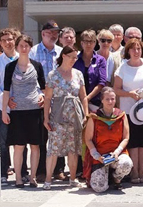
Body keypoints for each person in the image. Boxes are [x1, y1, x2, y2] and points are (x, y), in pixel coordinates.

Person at [2, 35, 46, 188]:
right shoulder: (10, 67)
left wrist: (43, 97)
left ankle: (33, 177)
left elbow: (45, 88)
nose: (23, 48)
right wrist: (4, 111)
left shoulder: (37, 66)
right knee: (19, 146)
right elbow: (6, 90)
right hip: (17, 112)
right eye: (21, 45)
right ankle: (19, 178)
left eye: (27, 45)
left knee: (35, 146)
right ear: (17, 46)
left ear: (30, 47)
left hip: (34, 111)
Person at [114, 38, 143, 183]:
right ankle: (134, 173)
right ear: (128, 51)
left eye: (139, 48)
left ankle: (142, 172)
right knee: (133, 143)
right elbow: (116, 89)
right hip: (129, 111)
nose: (136, 51)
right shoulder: (122, 68)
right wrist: (129, 94)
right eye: (133, 49)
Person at [43, 45, 88, 189]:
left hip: (74, 115)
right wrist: (46, 117)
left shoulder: (78, 74)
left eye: (76, 57)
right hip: (58, 115)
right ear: (64, 56)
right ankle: (48, 180)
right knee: (53, 148)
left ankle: (73, 178)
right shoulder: (53, 75)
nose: (74, 60)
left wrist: (85, 114)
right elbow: (48, 98)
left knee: (73, 149)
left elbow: (83, 96)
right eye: (72, 57)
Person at [29, 21, 62, 181]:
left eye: (56, 32)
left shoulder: (61, 52)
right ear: (43, 34)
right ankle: (42, 170)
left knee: (59, 134)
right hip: (40, 100)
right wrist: (40, 95)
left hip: (58, 101)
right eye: (50, 32)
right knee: (42, 136)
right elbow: (30, 77)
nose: (53, 35)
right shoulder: (33, 52)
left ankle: (58, 169)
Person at [83, 87, 133, 192]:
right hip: (100, 156)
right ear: (101, 100)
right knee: (99, 188)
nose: (110, 102)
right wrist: (96, 155)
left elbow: (126, 138)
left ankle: (116, 179)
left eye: (113, 99)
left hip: (117, 154)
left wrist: (117, 152)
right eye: (107, 99)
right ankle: (105, 176)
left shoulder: (121, 115)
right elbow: (88, 139)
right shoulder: (94, 117)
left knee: (126, 164)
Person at [0, 28, 23, 184]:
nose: (8, 43)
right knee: (2, 141)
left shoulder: (23, 59)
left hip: (22, 108)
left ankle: (22, 171)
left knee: (21, 141)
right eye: (4, 40)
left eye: (10, 39)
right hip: (4, 108)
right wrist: (6, 100)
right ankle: (3, 171)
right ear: (0, 43)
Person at [75, 29, 108, 113]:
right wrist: (82, 99)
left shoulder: (101, 60)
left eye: (91, 41)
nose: (88, 44)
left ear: (95, 43)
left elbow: (102, 82)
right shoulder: (75, 60)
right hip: (77, 102)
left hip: (95, 102)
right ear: (81, 43)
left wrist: (87, 98)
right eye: (86, 41)